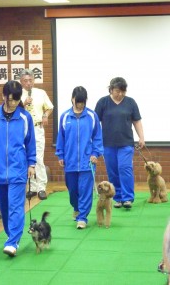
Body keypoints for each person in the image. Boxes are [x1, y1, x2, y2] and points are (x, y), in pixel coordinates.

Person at [0, 80, 36, 257]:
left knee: (15, 206)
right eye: (10, 99)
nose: (12, 103)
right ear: (3, 96)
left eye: (16, 100)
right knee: (4, 207)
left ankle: (13, 241)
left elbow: (30, 143)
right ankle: (11, 235)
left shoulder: (24, 117)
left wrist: (31, 164)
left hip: (18, 169)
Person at [55, 86, 104, 229]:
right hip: (69, 161)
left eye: (83, 102)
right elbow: (61, 138)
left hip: (87, 161)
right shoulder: (65, 117)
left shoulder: (92, 116)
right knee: (72, 190)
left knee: (85, 189)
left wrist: (95, 154)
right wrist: (60, 155)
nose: (80, 105)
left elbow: (97, 137)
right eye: (78, 101)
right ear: (72, 99)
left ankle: (82, 217)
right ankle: (76, 208)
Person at [95, 77, 145, 209]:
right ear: (111, 89)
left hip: (126, 143)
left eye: (123, 91)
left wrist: (141, 137)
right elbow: (95, 122)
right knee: (113, 171)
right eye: (117, 91)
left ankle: (127, 198)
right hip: (108, 144)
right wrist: (95, 141)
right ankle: (117, 197)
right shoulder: (103, 102)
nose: (120, 94)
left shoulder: (130, 102)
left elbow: (137, 121)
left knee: (125, 168)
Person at [20, 69, 54, 200]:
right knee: (27, 158)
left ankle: (41, 188)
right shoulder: (18, 94)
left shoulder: (41, 93)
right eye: (25, 81)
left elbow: (50, 107)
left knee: (38, 158)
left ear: (34, 80)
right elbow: (15, 110)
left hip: (37, 128)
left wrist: (45, 115)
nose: (28, 83)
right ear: (21, 81)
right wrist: (24, 103)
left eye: (30, 80)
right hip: (23, 130)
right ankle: (32, 187)